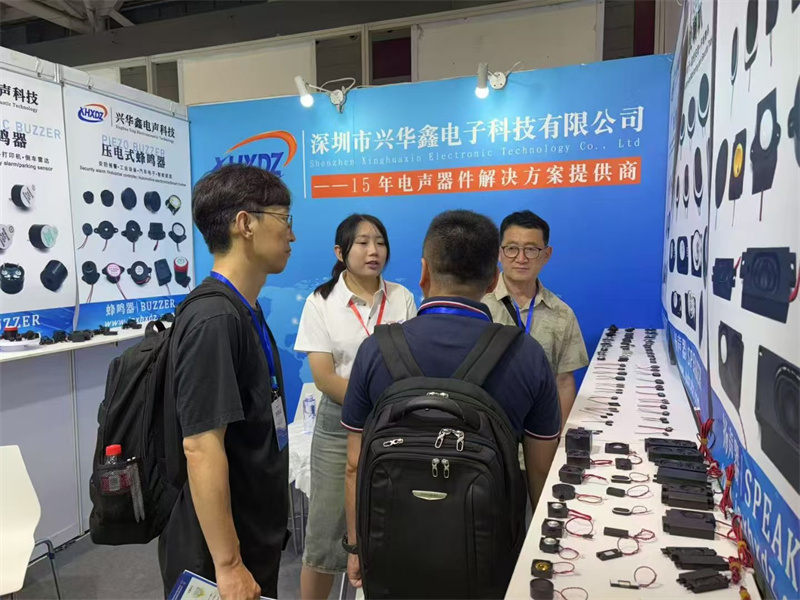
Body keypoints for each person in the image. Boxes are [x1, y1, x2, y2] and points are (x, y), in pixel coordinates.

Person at [341, 209, 560, 591]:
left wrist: (357, 546)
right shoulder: (526, 355)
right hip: (488, 561)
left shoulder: (375, 349)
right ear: (493, 279)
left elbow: (355, 465)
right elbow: (541, 472)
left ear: (424, 272)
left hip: (391, 556)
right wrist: (542, 554)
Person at [158, 164, 295, 600]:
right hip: (217, 558)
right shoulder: (214, 318)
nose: (292, 235)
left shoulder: (244, 309)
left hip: (249, 532)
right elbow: (200, 446)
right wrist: (229, 564)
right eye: (284, 220)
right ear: (245, 224)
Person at [294, 214, 417, 600]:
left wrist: (388, 410)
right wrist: (375, 405)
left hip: (395, 423)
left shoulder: (402, 297)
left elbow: (412, 365)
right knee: (325, 537)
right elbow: (324, 377)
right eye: (362, 242)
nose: (373, 250)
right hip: (339, 423)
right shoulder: (321, 302)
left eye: (379, 241)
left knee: (392, 524)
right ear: (340, 251)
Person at [483, 210, 588, 427]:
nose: (521, 259)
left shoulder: (562, 314)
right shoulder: (479, 304)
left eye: (531, 249)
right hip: (486, 427)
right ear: (499, 253)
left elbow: (564, 382)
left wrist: (557, 436)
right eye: (512, 248)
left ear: (546, 254)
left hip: (539, 429)